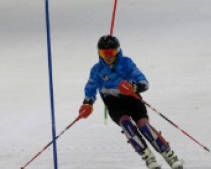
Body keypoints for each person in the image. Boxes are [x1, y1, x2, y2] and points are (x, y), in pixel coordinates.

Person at [78, 35, 184, 169]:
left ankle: (169, 156)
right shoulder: (96, 70)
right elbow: (90, 88)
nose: (108, 57)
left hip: (132, 99)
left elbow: (143, 81)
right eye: (104, 53)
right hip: (114, 104)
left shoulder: (126, 63)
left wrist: (134, 87)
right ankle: (148, 158)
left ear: (117, 52)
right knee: (126, 124)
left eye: (111, 52)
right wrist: (87, 104)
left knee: (143, 125)